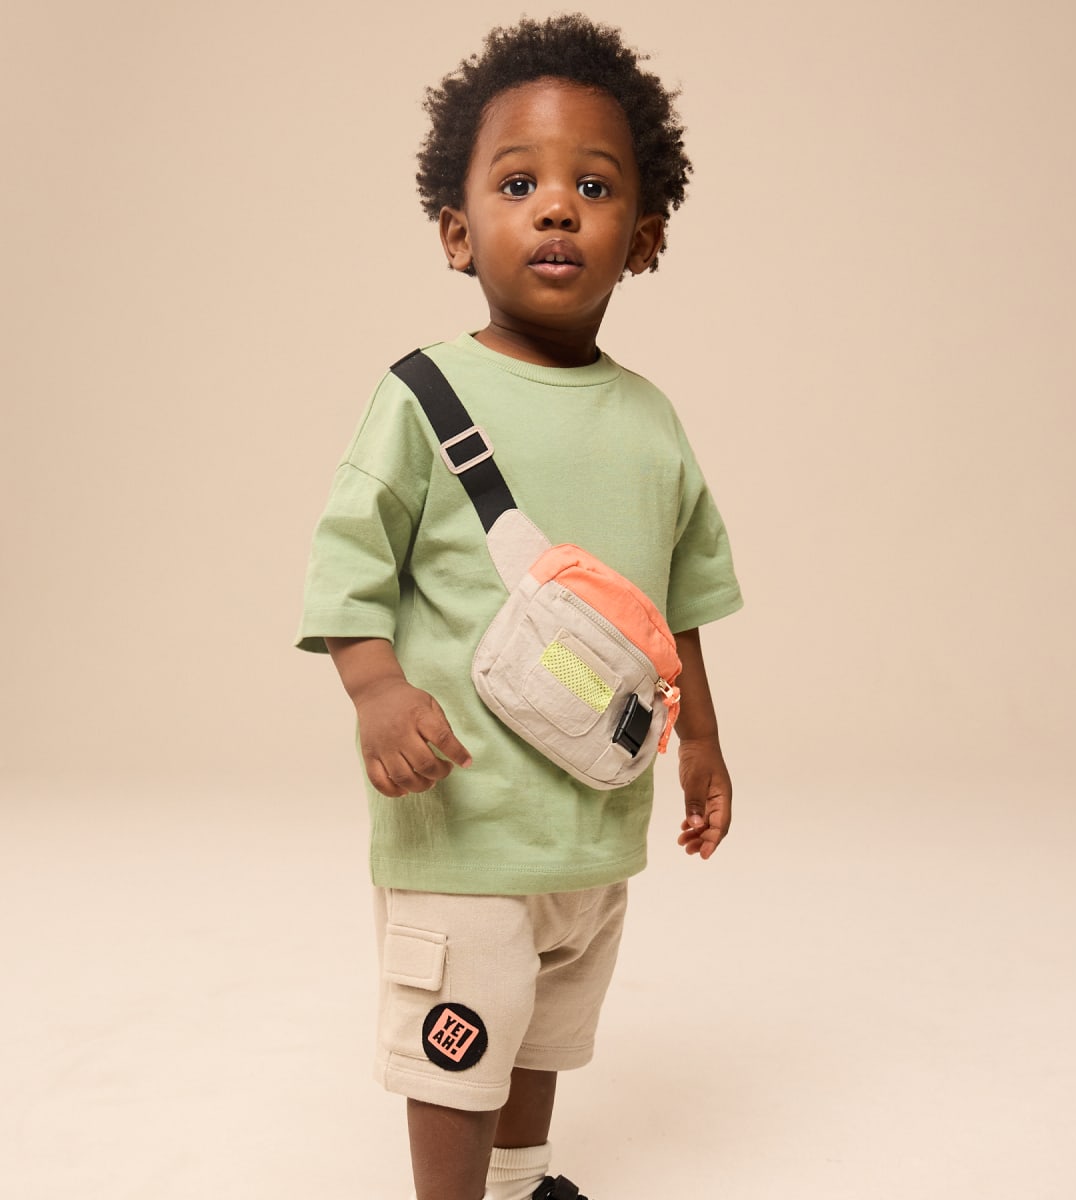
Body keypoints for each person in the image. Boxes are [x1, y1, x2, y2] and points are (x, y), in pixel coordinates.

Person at [296, 15, 742, 1200]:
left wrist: (702, 740)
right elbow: (348, 558)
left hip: (593, 816)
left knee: (545, 1023)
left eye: (592, 187)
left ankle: (521, 1185)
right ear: (458, 231)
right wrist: (375, 689)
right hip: (464, 815)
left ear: (642, 239)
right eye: (518, 184)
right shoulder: (420, 395)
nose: (556, 208)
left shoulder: (651, 420)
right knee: (462, 1040)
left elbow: (676, 601)